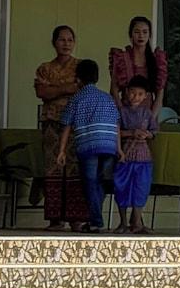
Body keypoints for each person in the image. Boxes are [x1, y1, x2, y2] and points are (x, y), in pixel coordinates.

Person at [55, 60, 120, 235]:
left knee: (90, 183)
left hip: (88, 147)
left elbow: (66, 125)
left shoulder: (76, 98)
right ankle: (94, 220)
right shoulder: (107, 98)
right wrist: (118, 149)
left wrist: (61, 151)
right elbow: (116, 124)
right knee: (100, 182)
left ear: (78, 79)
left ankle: (96, 221)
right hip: (108, 146)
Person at [34, 24, 87, 230]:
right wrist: (66, 88)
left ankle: (76, 218)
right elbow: (42, 93)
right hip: (51, 125)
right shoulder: (45, 68)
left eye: (70, 40)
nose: (66, 44)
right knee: (53, 167)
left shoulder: (81, 66)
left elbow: (82, 90)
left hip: (75, 124)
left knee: (74, 168)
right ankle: (55, 218)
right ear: (54, 42)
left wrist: (55, 90)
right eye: (62, 40)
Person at [113, 76, 159, 234]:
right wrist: (131, 132)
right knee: (122, 187)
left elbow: (154, 132)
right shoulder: (121, 112)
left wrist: (147, 135)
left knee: (141, 188)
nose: (136, 97)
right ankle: (123, 223)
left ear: (145, 96)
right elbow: (115, 132)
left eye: (140, 94)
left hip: (143, 156)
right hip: (124, 155)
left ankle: (137, 223)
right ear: (126, 92)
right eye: (133, 93)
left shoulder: (147, 113)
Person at [109, 16, 168, 109]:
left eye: (145, 32)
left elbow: (159, 97)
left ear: (149, 35)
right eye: (137, 32)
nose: (141, 36)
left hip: (148, 114)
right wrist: (123, 114)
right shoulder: (122, 58)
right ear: (131, 34)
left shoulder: (157, 60)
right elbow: (114, 91)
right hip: (125, 112)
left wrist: (150, 119)